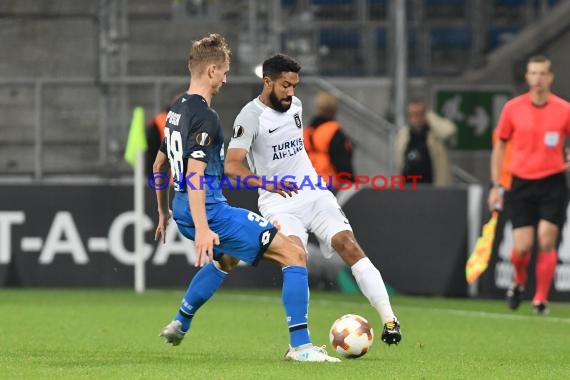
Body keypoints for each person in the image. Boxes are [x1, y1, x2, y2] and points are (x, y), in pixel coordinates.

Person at [152, 34, 339, 362]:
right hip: (208, 211)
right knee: (294, 254)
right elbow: (195, 175)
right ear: (211, 71)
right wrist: (204, 226)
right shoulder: (205, 117)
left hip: (183, 206)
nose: (226, 79)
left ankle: (181, 322)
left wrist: (164, 211)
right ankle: (302, 347)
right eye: (224, 71)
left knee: (225, 260)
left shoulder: (176, 110)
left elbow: (159, 164)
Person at [224, 54, 402, 345]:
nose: (291, 92)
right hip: (277, 202)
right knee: (296, 260)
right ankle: (301, 342)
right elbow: (232, 166)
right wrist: (268, 182)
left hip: (314, 193)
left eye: (295, 85)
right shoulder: (249, 117)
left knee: (349, 245)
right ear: (267, 82)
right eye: (285, 85)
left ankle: (390, 321)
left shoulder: (296, 106)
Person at [488, 55, 570, 315]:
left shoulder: (564, 109)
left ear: (550, 77)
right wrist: (495, 184)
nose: (538, 78)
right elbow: (500, 145)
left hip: (552, 182)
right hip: (520, 183)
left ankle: (540, 299)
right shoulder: (513, 108)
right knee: (522, 246)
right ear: (527, 77)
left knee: (547, 240)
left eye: (542, 73)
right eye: (533, 73)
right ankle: (519, 281)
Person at [394, 101, 456, 186]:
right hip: (409, 185)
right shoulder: (404, 134)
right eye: (412, 114)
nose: (416, 118)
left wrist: (430, 117)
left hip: (431, 185)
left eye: (419, 114)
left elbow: (449, 132)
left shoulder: (434, 134)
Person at [304, 91, 354, 185]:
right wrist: (351, 182)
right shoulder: (334, 131)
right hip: (329, 183)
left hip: (308, 181)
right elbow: (342, 161)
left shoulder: (307, 131)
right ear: (335, 109)